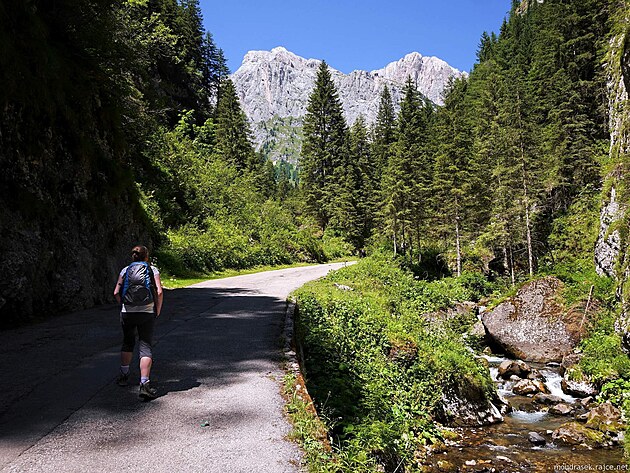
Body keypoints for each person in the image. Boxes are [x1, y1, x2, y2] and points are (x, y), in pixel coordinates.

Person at [113, 245, 163, 400]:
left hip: (127, 312)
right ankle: (144, 384)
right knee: (145, 345)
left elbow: (115, 292)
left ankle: (124, 375)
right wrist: (158, 309)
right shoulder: (152, 270)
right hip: (146, 312)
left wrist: (123, 304)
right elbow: (159, 291)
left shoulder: (125, 270)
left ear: (133, 256)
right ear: (146, 256)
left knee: (128, 342)